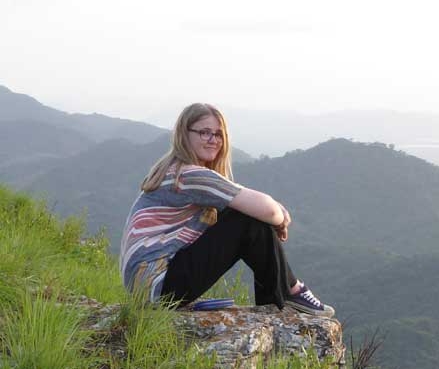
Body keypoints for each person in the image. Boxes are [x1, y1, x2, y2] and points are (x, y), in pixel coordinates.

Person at [119, 103, 333, 316]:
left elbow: (259, 207)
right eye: (204, 133)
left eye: (218, 134)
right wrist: (280, 218)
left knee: (244, 214)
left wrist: (272, 215)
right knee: (247, 220)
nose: (213, 140)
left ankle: (280, 299)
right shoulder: (189, 175)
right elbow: (269, 212)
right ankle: (290, 292)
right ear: (184, 134)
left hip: (147, 287)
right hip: (159, 288)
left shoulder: (174, 169)